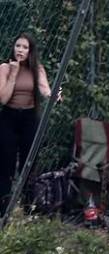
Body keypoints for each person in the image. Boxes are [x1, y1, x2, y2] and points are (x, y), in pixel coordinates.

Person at [0, 34, 53, 209]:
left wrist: (53, 95)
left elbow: (45, 90)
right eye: (18, 46)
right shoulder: (5, 68)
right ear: (13, 48)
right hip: (8, 118)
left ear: (30, 51)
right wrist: (14, 73)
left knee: (28, 163)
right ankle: (3, 208)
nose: (20, 50)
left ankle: (28, 206)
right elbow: (3, 99)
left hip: (29, 118)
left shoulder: (37, 69)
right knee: (5, 164)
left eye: (25, 47)